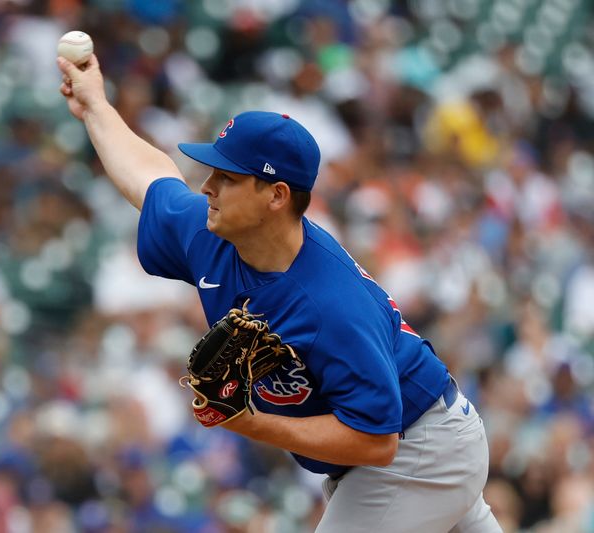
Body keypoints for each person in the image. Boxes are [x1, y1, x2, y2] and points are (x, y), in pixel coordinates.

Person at [57, 54, 503, 532]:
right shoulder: (214, 234)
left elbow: (378, 440)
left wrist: (250, 422)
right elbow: (150, 178)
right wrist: (96, 105)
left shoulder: (328, 302)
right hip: (396, 455)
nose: (207, 187)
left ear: (276, 196)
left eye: (226, 178)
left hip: (420, 447)